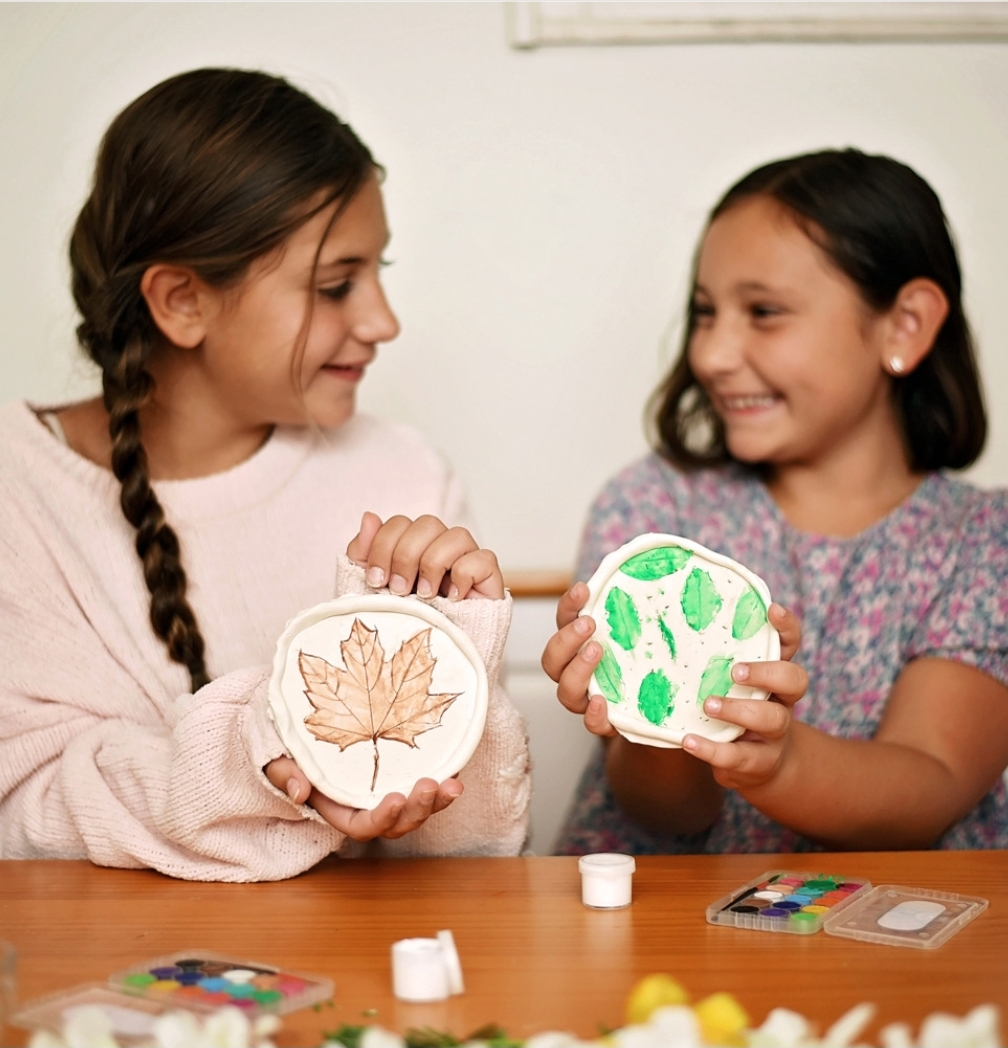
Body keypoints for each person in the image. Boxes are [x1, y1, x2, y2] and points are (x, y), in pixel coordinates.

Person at [0, 68, 529, 881]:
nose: (384, 321)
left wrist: (459, 688)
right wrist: (264, 757)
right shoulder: (19, 491)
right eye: (335, 285)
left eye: (378, 273)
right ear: (182, 301)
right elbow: (23, 820)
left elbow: (470, 854)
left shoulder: (407, 477)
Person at [543, 148, 1008, 855]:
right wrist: (664, 715)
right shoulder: (653, 507)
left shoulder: (983, 541)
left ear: (905, 325)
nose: (712, 354)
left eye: (764, 312)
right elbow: (662, 809)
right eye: (705, 313)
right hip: (665, 916)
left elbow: (932, 782)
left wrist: (780, 763)